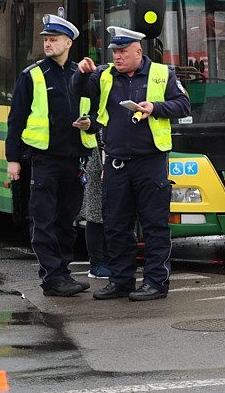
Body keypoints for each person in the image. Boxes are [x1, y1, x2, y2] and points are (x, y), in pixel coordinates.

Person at [73, 25, 191, 301]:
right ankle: (121, 280)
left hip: (150, 162)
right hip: (116, 163)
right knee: (116, 225)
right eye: (115, 51)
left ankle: (155, 283)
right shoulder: (104, 76)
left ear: (139, 51)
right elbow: (79, 91)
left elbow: (183, 105)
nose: (117, 56)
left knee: (154, 226)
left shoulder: (162, 74)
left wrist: (155, 108)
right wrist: (81, 74)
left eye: (123, 51)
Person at [5, 14, 92, 297]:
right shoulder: (32, 75)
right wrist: (14, 159)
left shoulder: (81, 76)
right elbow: (15, 120)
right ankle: (52, 277)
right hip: (44, 160)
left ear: (68, 42)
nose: (48, 43)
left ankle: (63, 272)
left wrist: (90, 124)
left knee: (66, 220)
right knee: (43, 220)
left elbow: (96, 111)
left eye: (53, 39)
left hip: (74, 159)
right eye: (45, 39)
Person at [81, 131, 109, 279]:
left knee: (111, 215)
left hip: (109, 161)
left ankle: (107, 260)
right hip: (97, 162)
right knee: (95, 214)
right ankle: (97, 264)